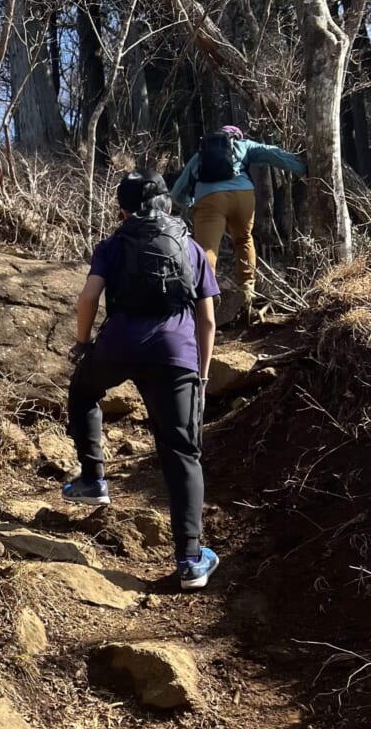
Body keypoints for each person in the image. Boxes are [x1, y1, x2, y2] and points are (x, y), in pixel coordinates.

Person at [62, 170, 220, 590]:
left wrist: (83, 345)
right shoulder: (191, 247)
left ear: (123, 210)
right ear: (167, 203)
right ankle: (190, 559)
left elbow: (88, 297)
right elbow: (206, 319)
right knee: (181, 451)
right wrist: (200, 375)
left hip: (118, 343)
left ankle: (93, 480)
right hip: (175, 353)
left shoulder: (113, 245)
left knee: (83, 390)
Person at [170, 125, 306, 306]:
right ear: (236, 136)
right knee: (243, 240)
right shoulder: (244, 145)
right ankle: (247, 292)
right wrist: (303, 168)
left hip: (210, 200)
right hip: (243, 195)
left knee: (207, 250)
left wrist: (190, 202)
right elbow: (272, 153)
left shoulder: (200, 154)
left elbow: (179, 190)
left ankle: (205, 297)